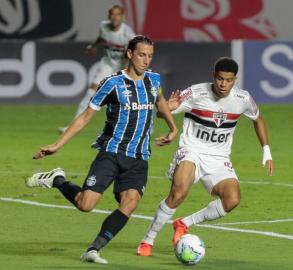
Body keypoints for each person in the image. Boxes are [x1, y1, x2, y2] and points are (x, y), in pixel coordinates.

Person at [27, 35, 178, 264]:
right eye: (141, 55)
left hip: (139, 157)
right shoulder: (112, 83)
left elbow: (161, 102)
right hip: (112, 152)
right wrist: (58, 144)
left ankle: (94, 249)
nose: (146, 60)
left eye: (150, 56)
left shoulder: (154, 80)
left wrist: (172, 127)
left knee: (130, 202)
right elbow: (85, 116)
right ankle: (57, 179)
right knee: (85, 205)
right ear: (129, 54)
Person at [136, 57, 273, 256]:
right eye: (219, 79)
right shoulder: (195, 93)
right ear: (213, 76)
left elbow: (258, 120)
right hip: (191, 150)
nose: (223, 84)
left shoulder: (242, 99)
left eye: (228, 80)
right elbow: (161, 113)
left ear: (235, 79)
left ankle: (184, 223)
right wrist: (167, 106)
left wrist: (266, 150)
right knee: (179, 192)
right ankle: (148, 240)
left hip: (218, 158)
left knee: (232, 199)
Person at [59, 5, 135, 133]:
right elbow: (102, 38)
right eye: (113, 14)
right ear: (109, 16)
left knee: (132, 96)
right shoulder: (103, 27)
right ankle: (73, 126)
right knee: (92, 91)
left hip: (123, 66)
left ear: (123, 17)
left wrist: (127, 73)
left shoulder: (128, 35)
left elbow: (132, 55)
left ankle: (146, 126)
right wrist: (93, 46)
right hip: (108, 64)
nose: (115, 17)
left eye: (118, 15)